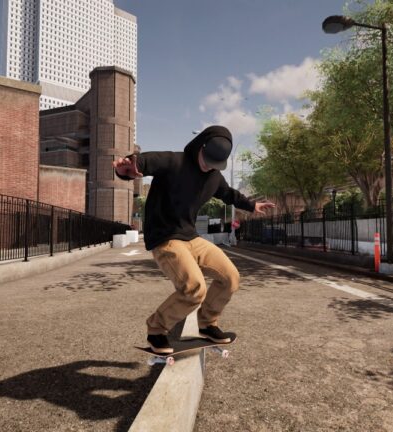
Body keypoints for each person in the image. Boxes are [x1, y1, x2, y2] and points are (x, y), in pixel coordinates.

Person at [113, 125, 276, 354]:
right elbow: (143, 162)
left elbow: (229, 194)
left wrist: (252, 205)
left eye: (214, 164)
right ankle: (156, 329)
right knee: (194, 288)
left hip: (191, 237)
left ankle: (207, 324)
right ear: (200, 146)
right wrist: (128, 168)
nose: (207, 166)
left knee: (231, 278)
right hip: (166, 237)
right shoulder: (173, 161)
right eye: (206, 160)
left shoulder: (214, 177)